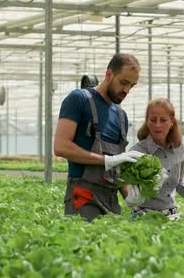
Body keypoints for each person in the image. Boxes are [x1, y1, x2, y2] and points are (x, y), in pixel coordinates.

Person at [54, 54, 144, 222]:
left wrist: (131, 198)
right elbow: (61, 146)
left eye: (132, 85)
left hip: (111, 200)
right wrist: (106, 160)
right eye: (124, 82)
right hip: (83, 197)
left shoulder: (121, 116)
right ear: (109, 74)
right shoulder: (79, 99)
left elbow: (117, 165)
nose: (127, 90)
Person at [127, 98, 184, 218]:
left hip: (172, 215)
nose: (157, 125)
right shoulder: (137, 152)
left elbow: (180, 184)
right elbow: (128, 185)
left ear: (171, 122)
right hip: (143, 216)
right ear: (147, 122)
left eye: (163, 120)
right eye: (153, 120)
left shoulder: (178, 148)